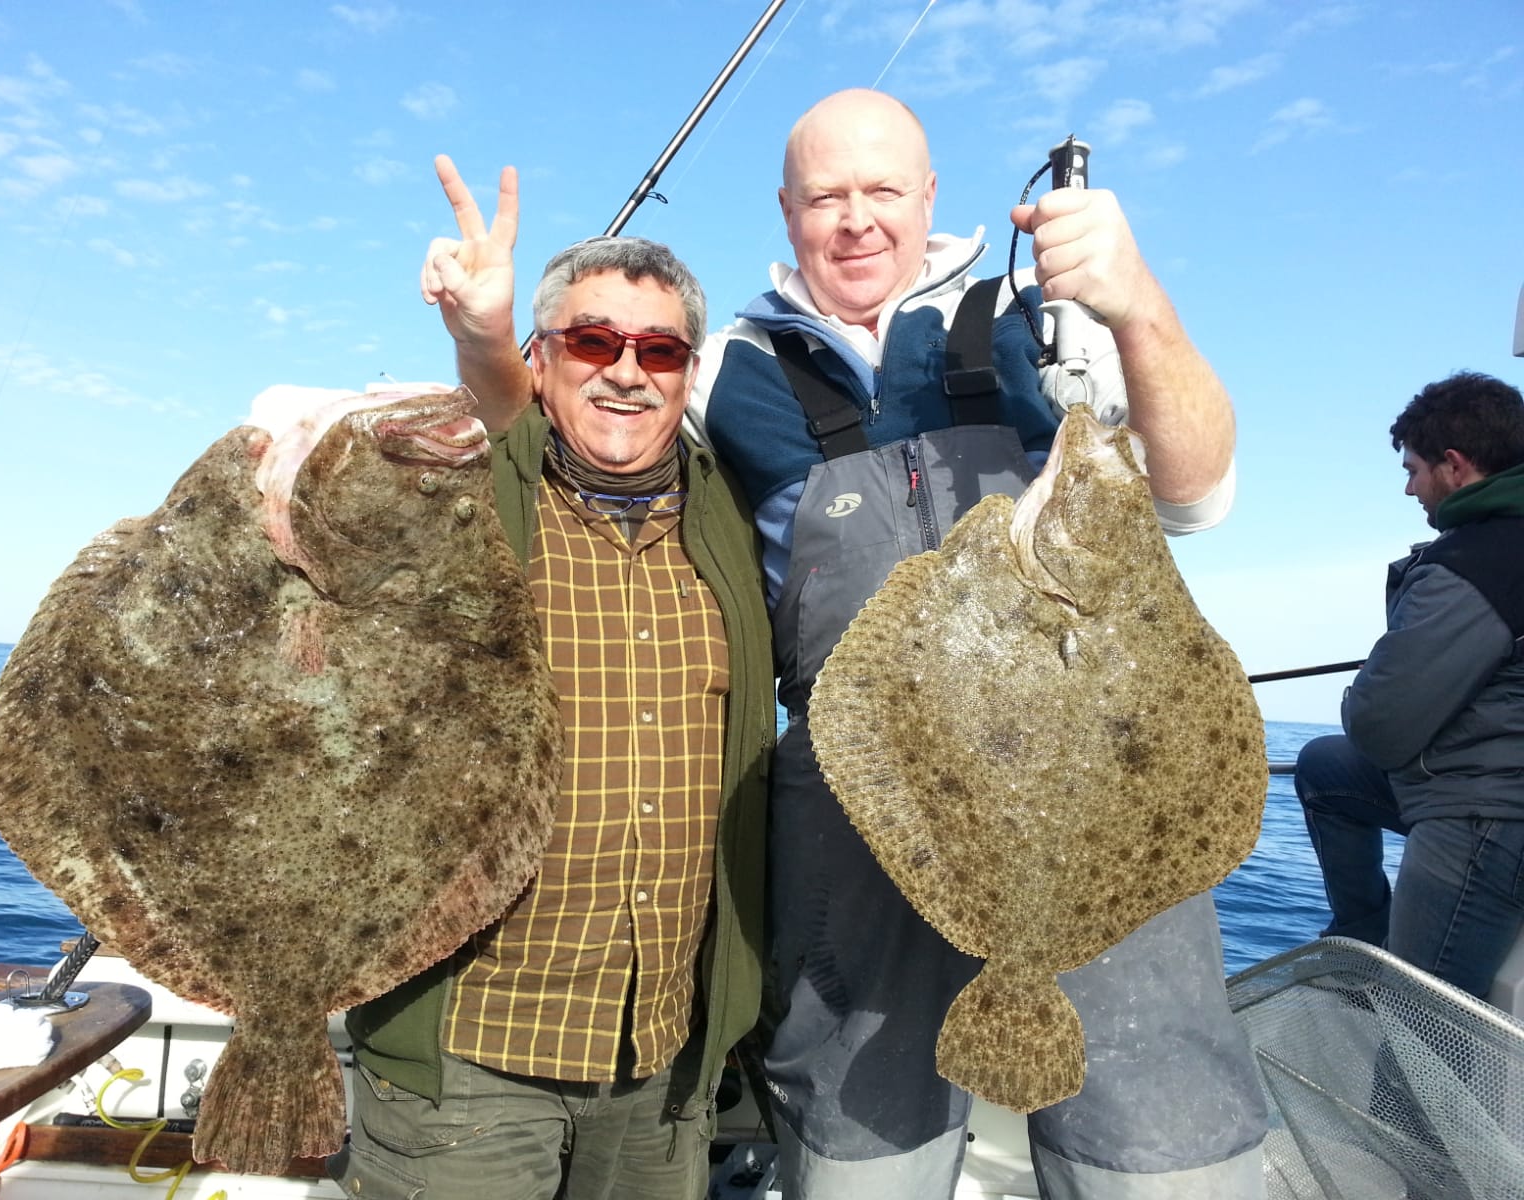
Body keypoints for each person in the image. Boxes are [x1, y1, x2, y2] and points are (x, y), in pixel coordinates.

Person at [423, 88, 1267, 1200]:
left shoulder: (1050, 318)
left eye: (881, 190)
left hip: (1093, 797)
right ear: (786, 210)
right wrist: (489, 343)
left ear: (928, 196)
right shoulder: (722, 366)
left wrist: (1138, 305)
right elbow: (566, 421)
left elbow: (1195, 494)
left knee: (1163, 1150)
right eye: (827, 195)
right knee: (858, 1151)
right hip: (865, 817)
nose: (856, 219)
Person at [330, 236, 776, 1200]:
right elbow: (484, 416)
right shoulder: (463, 493)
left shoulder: (733, 523)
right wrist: (481, 336)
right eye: (592, 341)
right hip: (468, 1053)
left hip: (660, 1054)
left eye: (658, 351)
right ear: (543, 357)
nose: (625, 371)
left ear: (686, 374)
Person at [1293, 371, 1524, 1000]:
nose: (1408, 487)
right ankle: (1365, 945)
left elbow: (1380, 723)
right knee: (1324, 768)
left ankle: (1399, 1024)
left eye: (1413, 469)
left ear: (1454, 467)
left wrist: (1364, 687)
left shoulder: (1479, 561)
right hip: (1475, 775)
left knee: (1420, 1027)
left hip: (1489, 811)